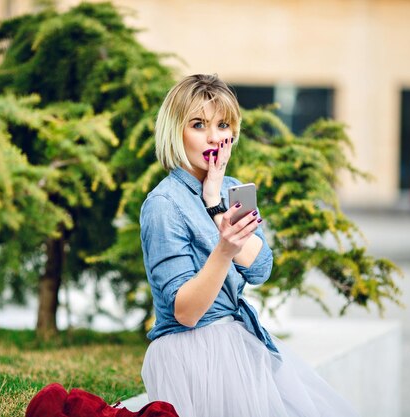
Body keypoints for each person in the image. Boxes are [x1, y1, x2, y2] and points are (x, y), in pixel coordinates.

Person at [139, 74, 358, 417]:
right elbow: (186, 312)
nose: (214, 137)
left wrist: (214, 202)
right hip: (191, 353)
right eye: (198, 125)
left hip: (241, 341)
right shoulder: (164, 203)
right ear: (175, 131)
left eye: (222, 124)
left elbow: (260, 269)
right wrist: (224, 248)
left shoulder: (231, 188)